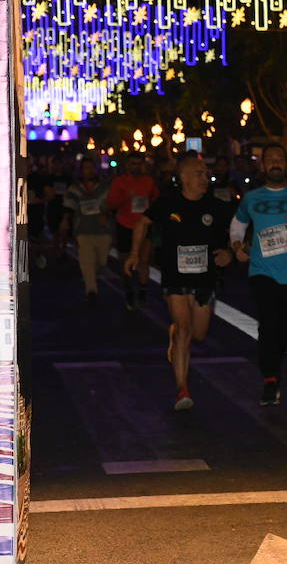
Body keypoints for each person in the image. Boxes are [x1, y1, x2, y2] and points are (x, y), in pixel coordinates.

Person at [124, 154, 233, 410]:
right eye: (199, 173)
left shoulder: (215, 206)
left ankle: (174, 334)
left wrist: (229, 252)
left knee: (198, 334)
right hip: (175, 276)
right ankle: (182, 389)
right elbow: (142, 223)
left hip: (205, 279)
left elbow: (234, 231)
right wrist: (134, 254)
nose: (205, 178)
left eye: (206, 173)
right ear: (183, 177)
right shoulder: (168, 202)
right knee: (184, 329)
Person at [231, 144, 287, 405]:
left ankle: (273, 367)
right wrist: (236, 246)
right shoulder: (251, 198)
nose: (276, 163)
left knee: (286, 328)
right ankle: (270, 378)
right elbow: (238, 225)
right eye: (271, 160)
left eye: (281, 159)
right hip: (261, 270)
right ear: (263, 165)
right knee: (267, 324)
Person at [106, 152, 158, 309]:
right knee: (125, 261)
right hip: (125, 225)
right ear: (127, 165)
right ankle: (129, 291)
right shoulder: (119, 182)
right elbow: (110, 205)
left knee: (144, 260)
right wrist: (125, 197)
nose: (135, 166)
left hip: (144, 226)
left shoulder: (149, 181)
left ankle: (142, 292)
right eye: (132, 163)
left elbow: (156, 199)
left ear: (143, 164)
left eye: (138, 163)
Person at [62, 157, 111, 306]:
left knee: (101, 261)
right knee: (86, 261)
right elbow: (68, 207)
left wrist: (107, 214)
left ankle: (92, 277)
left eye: (91, 167)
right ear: (81, 171)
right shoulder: (74, 189)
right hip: (83, 230)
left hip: (103, 231)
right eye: (85, 168)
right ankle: (91, 291)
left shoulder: (105, 188)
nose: (89, 171)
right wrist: (64, 222)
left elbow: (113, 205)